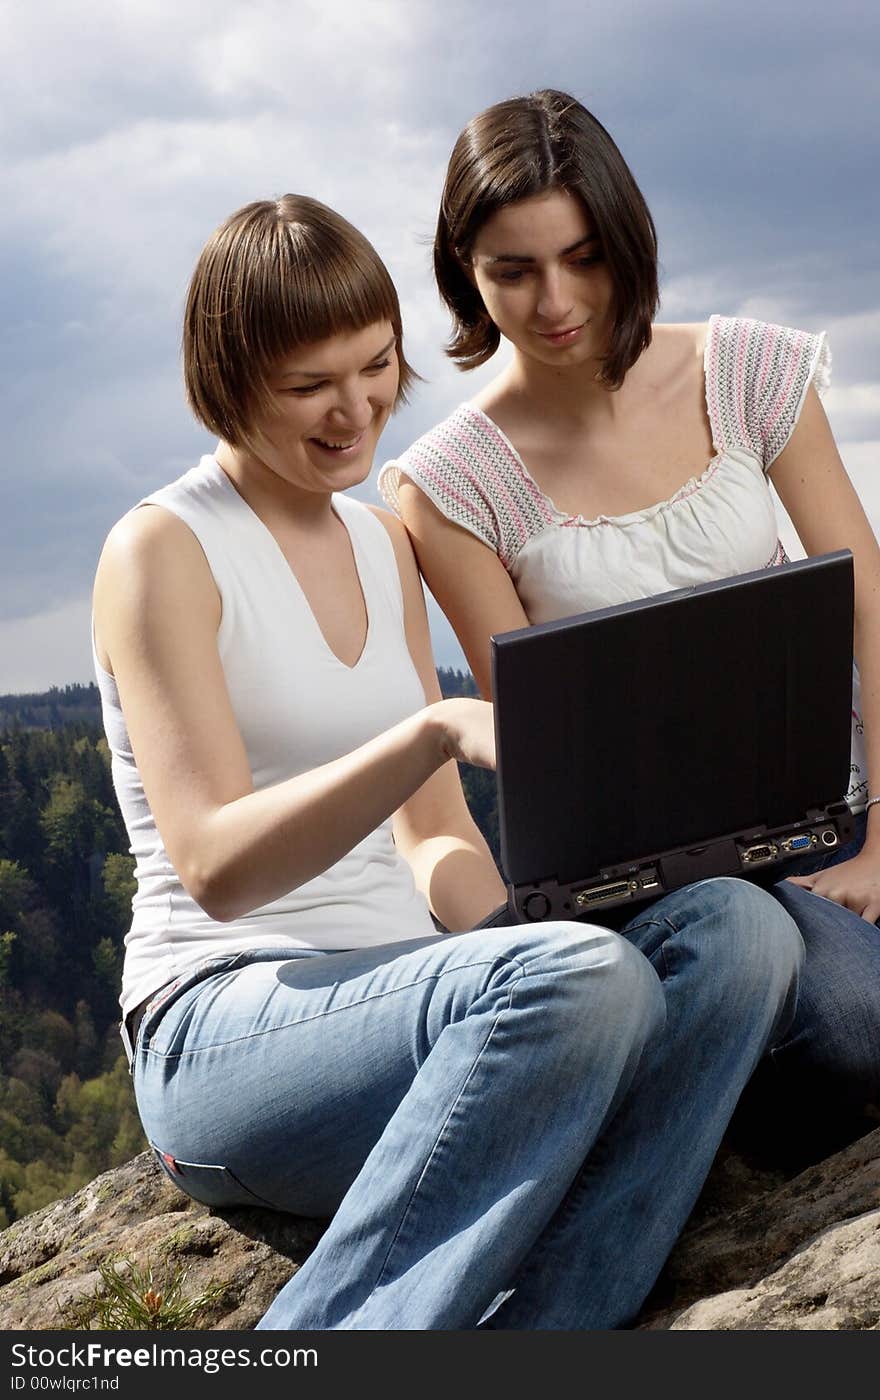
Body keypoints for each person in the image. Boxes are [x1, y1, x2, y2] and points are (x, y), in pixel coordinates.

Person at [92, 192, 802, 1331]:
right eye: (307, 384)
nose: (355, 409)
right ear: (225, 380)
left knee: (736, 929)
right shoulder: (163, 547)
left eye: (374, 365)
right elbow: (216, 863)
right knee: (580, 976)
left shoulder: (380, 538)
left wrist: (541, 956)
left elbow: (435, 838)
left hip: (417, 1004)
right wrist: (426, 734)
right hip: (222, 1022)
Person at [378, 88, 880, 1161]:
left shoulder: (746, 371)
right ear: (462, 269)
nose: (556, 300)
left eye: (583, 256)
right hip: (664, 881)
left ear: (627, 239)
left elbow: (868, 610)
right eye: (512, 270)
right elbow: (546, 749)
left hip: (837, 809)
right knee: (851, 1023)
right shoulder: (451, 482)